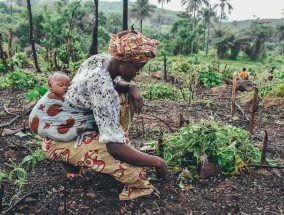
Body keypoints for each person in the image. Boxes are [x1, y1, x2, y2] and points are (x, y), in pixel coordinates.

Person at [29, 27, 168, 200]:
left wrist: (132, 87)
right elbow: (114, 148)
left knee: (123, 100)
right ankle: (136, 188)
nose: (137, 73)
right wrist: (157, 162)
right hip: (57, 139)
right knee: (136, 171)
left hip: (64, 124)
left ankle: (75, 161)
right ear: (122, 60)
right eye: (137, 67)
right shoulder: (103, 89)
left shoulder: (100, 60)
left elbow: (115, 84)